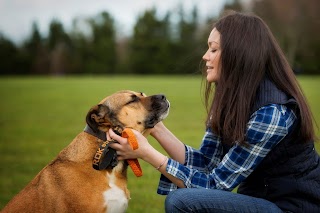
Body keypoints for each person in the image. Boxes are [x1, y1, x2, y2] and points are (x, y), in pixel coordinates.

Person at [108, 11, 320, 213]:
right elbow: (206, 163)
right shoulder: (230, 99)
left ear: (239, 54)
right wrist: (155, 128)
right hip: (260, 200)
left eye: (214, 49)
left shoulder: (272, 113)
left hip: (290, 207)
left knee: (183, 202)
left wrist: (147, 153)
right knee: (185, 199)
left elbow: (215, 184)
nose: (205, 56)